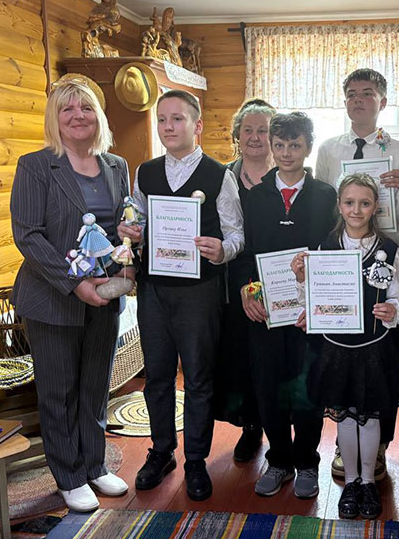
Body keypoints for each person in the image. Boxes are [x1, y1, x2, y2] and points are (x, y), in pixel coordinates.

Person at [10, 80, 131, 512]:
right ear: (54, 119)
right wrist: (75, 282)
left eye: (86, 107)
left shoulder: (116, 165)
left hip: (105, 293)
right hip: (53, 298)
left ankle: (94, 465)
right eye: (67, 109)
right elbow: (28, 235)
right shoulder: (35, 166)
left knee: (96, 386)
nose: (78, 115)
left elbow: (122, 224)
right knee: (59, 391)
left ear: (98, 115)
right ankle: (68, 475)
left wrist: (128, 255)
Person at [122, 89, 244, 501]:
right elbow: (136, 222)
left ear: (198, 125)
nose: (168, 127)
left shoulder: (218, 175)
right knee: (156, 375)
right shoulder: (146, 172)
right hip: (153, 289)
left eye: (178, 119)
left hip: (199, 292)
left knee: (198, 377)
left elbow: (236, 234)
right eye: (162, 119)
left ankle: (195, 460)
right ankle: (161, 451)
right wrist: (131, 231)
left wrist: (223, 250)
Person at [291, 173, 399, 520]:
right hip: (336, 347)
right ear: (339, 206)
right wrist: (301, 279)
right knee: (344, 416)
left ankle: (369, 481)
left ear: (375, 207)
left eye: (364, 203)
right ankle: (352, 481)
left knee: (369, 417)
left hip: (373, 347)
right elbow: (310, 299)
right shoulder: (324, 248)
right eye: (349, 203)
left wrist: (393, 309)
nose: (356, 210)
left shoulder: (389, 250)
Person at [315, 68, 399, 482]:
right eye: (351, 93)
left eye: (367, 93)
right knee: (345, 367)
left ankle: (379, 448)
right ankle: (345, 448)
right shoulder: (328, 149)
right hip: (340, 265)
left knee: (381, 367)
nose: (358, 99)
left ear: (382, 102)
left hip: (384, 264)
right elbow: (324, 206)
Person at [238, 112, 337, 499]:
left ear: (308, 147)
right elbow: (246, 253)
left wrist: (319, 301)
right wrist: (248, 290)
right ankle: (278, 460)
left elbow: (332, 253)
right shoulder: (255, 196)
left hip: (308, 313)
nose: (286, 153)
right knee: (269, 387)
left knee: (308, 387)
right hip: (265, 312)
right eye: (279, 145)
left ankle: (307, 463)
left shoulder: (325, 196)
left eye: (294, 145)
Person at [217, 98, 277, 462]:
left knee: (276, 360)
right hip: (234, 282)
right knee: (240, 358)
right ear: (237, 135)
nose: (255, 137)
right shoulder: (222, 176)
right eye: (247, 130)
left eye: (263, 130)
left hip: (280, 280)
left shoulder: (288, 174)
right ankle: (250, 426)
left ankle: (281, 431)